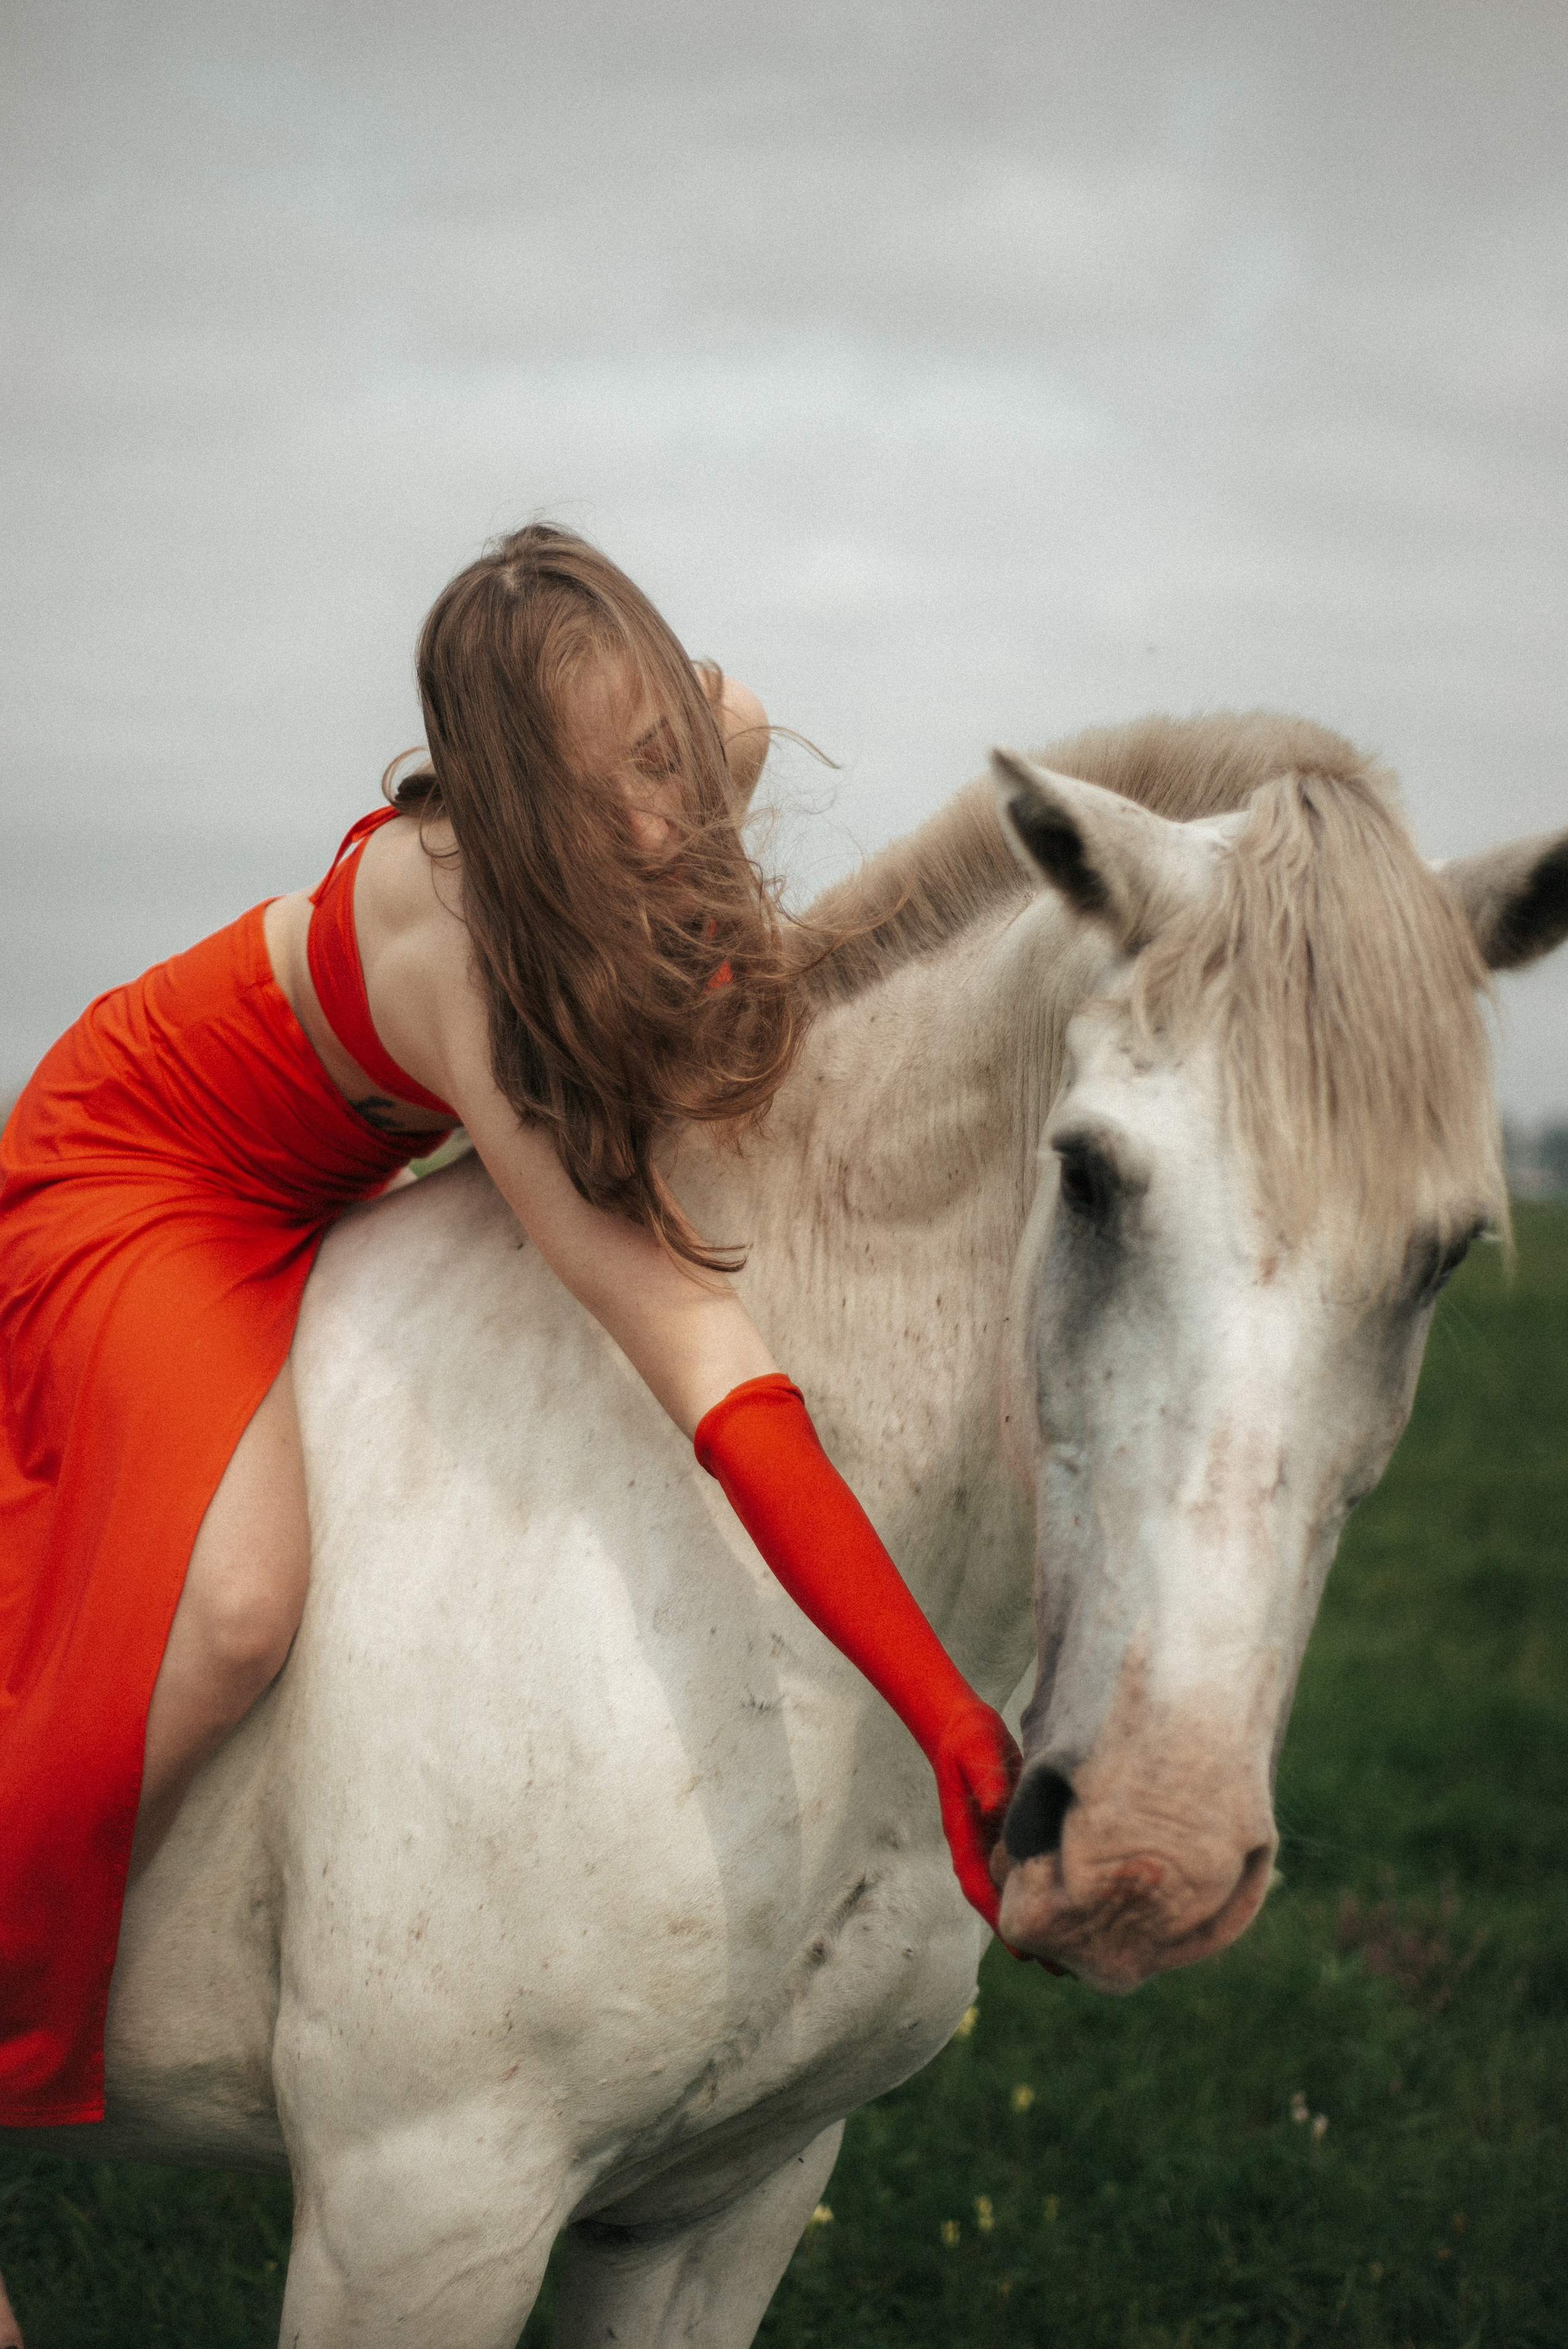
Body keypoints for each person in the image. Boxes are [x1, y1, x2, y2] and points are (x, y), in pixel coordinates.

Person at [0, 524, 1021, 2152]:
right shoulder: (461, 953)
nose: (650, 819)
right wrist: (938, 1701)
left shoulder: (713, 742)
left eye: (658, 760)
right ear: (493, 805)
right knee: (237, 1601)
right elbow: (695, 1341)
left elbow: (692, 810)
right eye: (588, 797)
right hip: (149, 1164)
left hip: (321, 1160)